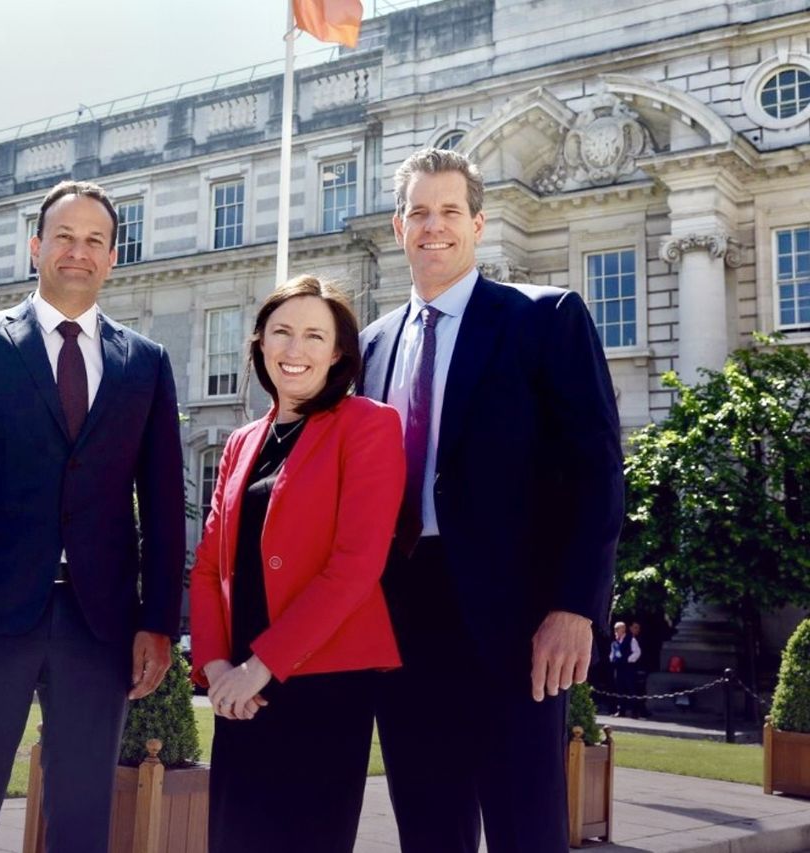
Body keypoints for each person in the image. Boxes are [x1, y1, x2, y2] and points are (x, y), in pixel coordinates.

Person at [358, 148, 624, 853]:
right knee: (428, 828)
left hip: (516, 624)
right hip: (400, 620)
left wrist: (575, 606)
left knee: (525, 829)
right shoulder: (369, 346)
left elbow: (597, 472)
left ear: (478, 224)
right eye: (419, 212)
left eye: (450, 211)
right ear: (398, 226)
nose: (433, 226)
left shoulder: (545, 319)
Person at [0, 180, 185, 853]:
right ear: (36, 246)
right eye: (64, 236)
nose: (78, 251)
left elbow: (163, 501)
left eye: (95, 240)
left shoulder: (146, 364)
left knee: (82, 820)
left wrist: (157, 622)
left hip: (99, 626)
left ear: (113, 257)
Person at [190, 276, 405, 852]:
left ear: (337, 353)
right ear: (260, 343)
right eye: (282, 332)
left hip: (325, 684)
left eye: (314, 335)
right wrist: (216, 671)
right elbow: (210, 567)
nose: (295, 349)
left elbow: (356, 566)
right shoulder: (239, 443)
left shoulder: (369, 424)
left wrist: (260, 666)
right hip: (239, 690)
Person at [611, 621, 642, 717]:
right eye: (615, 629)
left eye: (618, 629)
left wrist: (627, 659)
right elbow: (613, 653)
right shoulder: (615, 642)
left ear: (623, 629)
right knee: (620, 689)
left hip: (629, 668)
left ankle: (634, 712)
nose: (616, 631)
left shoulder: (631, 639)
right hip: (619, 668)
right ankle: (621, 710)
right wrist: (613, 659)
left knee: (631, 688)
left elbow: (637, 652)